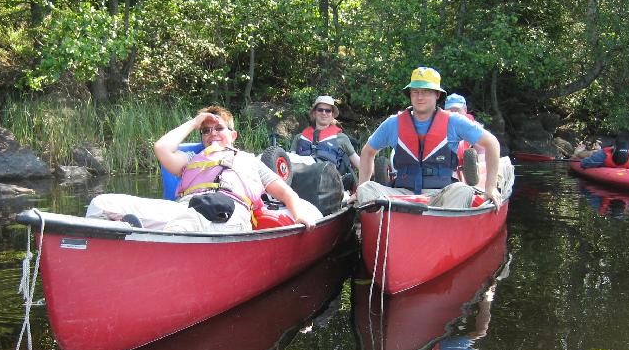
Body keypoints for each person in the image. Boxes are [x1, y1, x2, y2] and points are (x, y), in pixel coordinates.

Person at [86, 106, 319, 232]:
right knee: (101, 204)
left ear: (233, 135)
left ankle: (145, 243)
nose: (212, 133)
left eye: (219, 128)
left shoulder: (250, 161)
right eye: (206, 131)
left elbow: (286, 193)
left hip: (227, 210)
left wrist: (299, 215)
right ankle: (122, 247)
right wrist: (194, 122)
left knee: (185, 226)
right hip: (186, 207)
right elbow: (161, 147)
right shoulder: (191, 159)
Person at [355, 67, 505, 208]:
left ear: (437, 95)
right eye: (415, 92)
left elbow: (492, 143)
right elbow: (368, 152)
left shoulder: (454, 121)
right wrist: (361, 187)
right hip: (402, 195)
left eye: (426, 92)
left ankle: (442, 223)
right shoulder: (393, 123)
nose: (419, 97)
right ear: (410, 94)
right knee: (365, 189)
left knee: (463, 190)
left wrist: (490, 187)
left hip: (441, 195)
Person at [290, 95, 361, 176]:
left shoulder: (342, 138)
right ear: (314, 113)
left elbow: (359, 164)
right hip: (301, 176)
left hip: (328, 179)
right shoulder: (299, 138)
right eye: (320, 110)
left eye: (328, 111)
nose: (324, 113)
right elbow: (290, 161)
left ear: (332, 115)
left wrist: (371, 170)